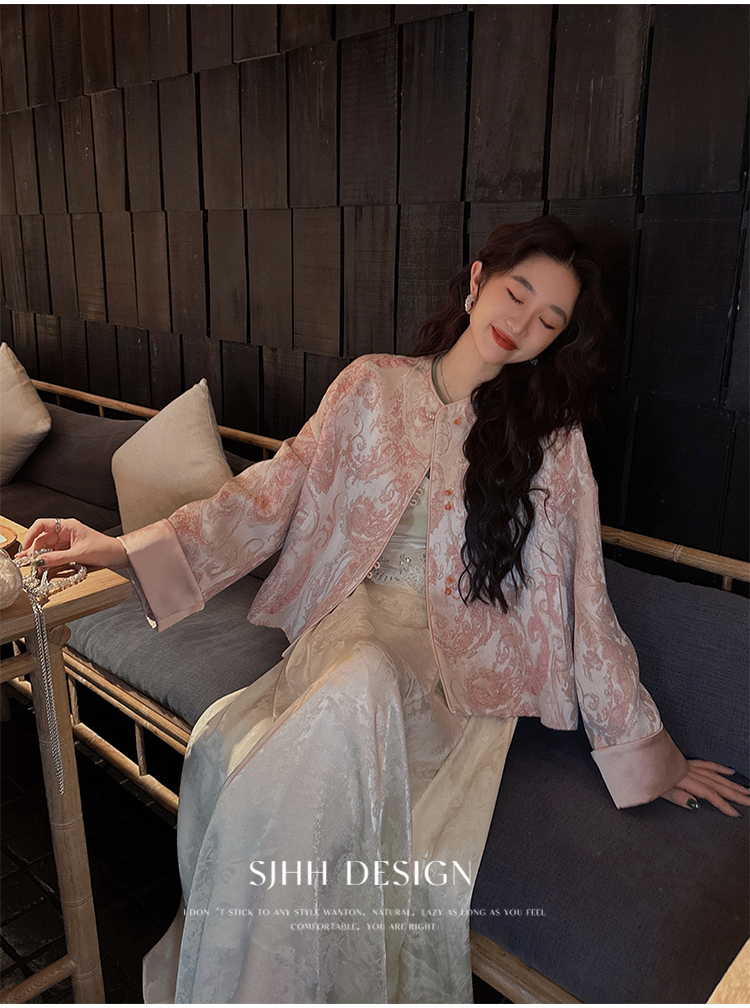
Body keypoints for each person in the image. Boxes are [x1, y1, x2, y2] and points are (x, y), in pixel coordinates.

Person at [21, 217, 749, 1004]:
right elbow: (268, 493)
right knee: (353, 681)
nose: (524, 323)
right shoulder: (370, 385)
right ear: (477, 281)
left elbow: (585, 598)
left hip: (457, 669)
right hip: (349, 624)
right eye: (517, 293)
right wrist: (121, 548)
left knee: (346, 702)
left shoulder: (551, 440)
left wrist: (646, 751)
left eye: (550, 320)